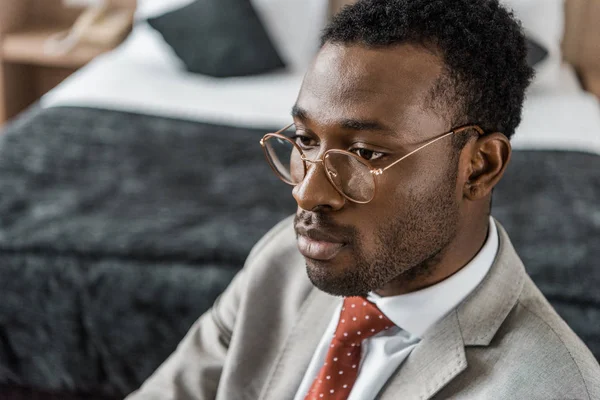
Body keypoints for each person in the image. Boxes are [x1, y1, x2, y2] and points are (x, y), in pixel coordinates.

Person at [126, 0, 600, 399]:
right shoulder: (282, 265)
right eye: (306, 140)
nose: (307, 194)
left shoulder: (547, 387)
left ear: (479, 166)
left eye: (365, 153)